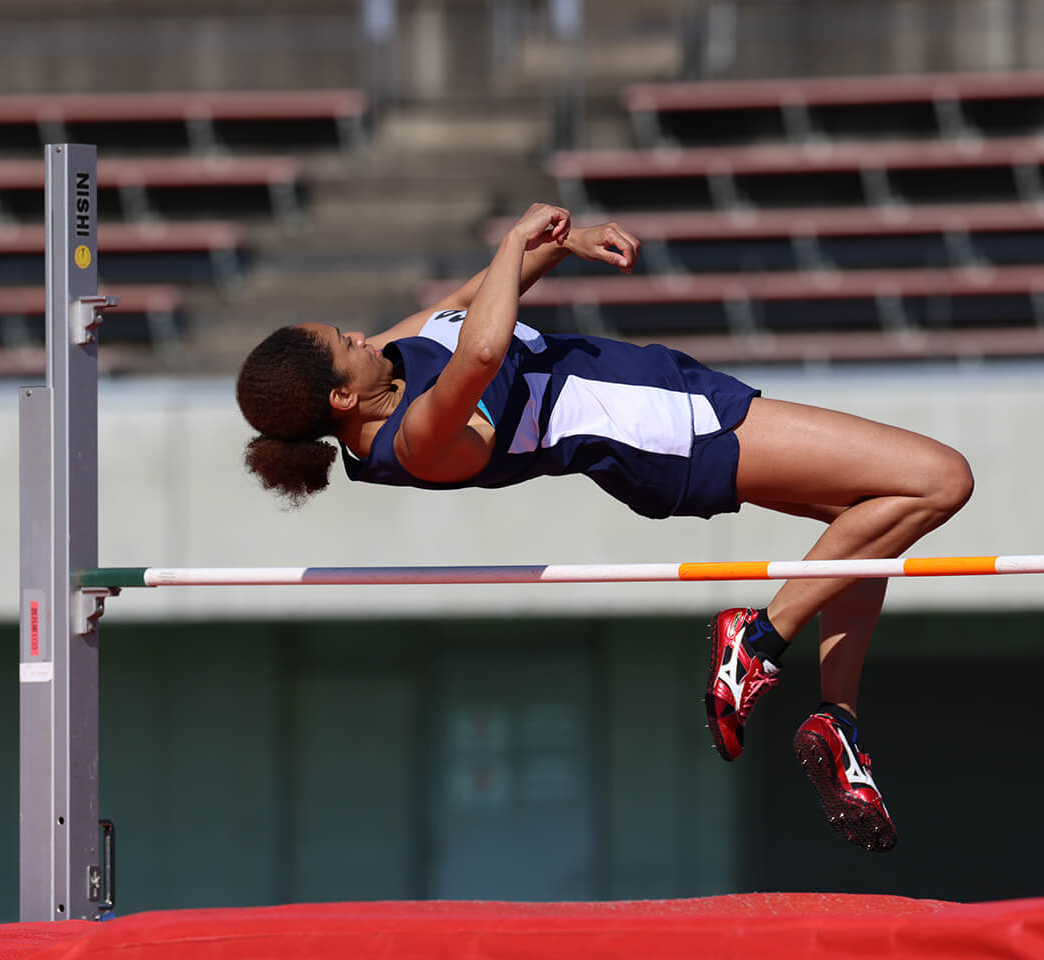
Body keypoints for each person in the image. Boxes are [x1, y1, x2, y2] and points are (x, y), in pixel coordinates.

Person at [236, 203, 973, 852]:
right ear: (341, 399)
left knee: (866, 525)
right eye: (346, 343)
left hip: (662, 399)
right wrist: (513, 238)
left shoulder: (390, 363)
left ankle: (837, 719)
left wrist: (562, 246)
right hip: (661, 431)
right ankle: (757, 642)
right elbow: (482, 349)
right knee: (938, 479)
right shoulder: (412, 439)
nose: (362, 335)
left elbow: (463, 304)